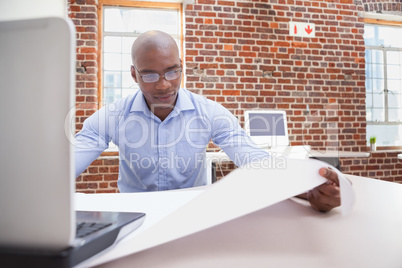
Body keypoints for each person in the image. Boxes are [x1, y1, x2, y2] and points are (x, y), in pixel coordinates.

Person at [75, 30, 341, 212]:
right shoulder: (112, 116)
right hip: (135, 216)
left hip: (192, 216)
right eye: (150, 76)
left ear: (182, 66)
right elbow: (65, 165)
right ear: (134, 75)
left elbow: (256, 160)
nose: (164, 85)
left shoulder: (210, 112)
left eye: (172, 71)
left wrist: (306, 190)